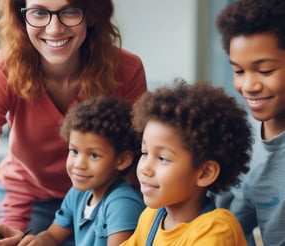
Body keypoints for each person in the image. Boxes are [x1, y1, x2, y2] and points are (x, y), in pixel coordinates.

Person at [0, 0, 147, 240]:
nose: (54, 29)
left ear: (91, 14)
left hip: (100, 196)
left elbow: (137, 167)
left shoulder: (127, 69)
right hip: (24, 197)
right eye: (38, 12)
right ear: (21, 15)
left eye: (70, 11)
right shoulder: (0, 70)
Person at [0, 95, 145, 245]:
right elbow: (53, 236)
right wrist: (37, 242)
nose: (79, 164)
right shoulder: (78, 193)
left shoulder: (122, 204)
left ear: (122, 160)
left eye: (94, 155)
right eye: (74, 151)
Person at [120, 80, 253, 246]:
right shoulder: (151, 217)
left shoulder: (216, 230)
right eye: (145, 153)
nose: (145, 168)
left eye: (162, 158)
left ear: (205, 173)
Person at [214, 0, 285, 245]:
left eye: (265, 71)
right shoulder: (242, 138)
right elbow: (230, 227)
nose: (249, 86)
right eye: (239, 71)